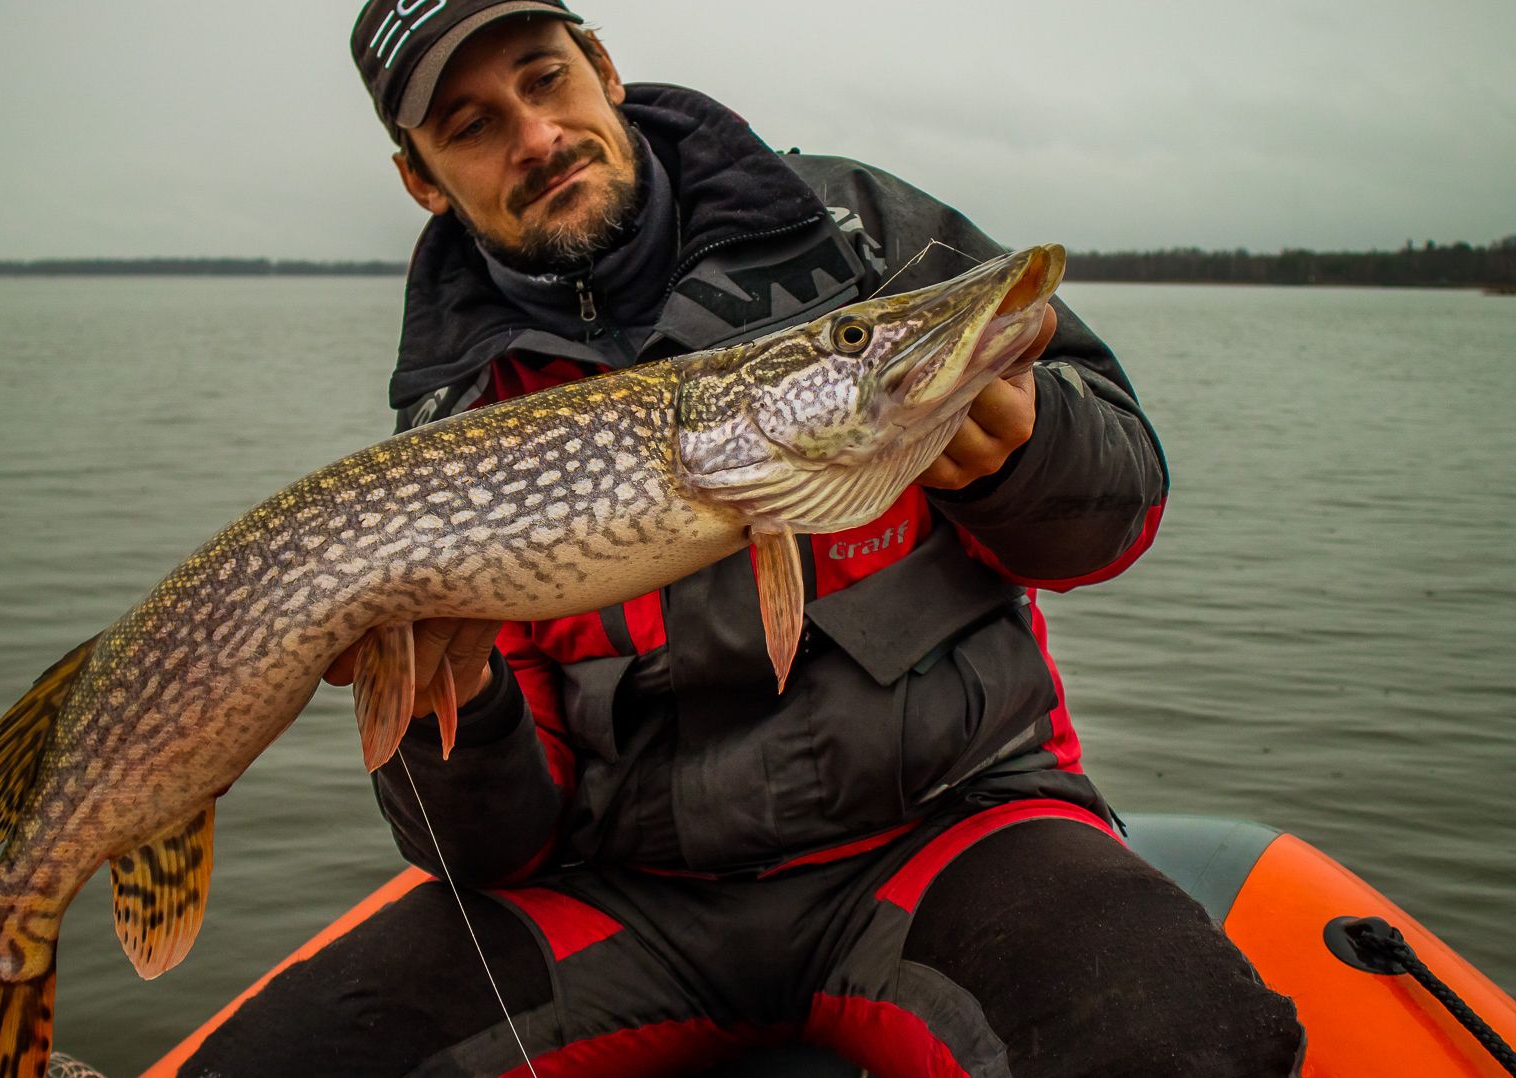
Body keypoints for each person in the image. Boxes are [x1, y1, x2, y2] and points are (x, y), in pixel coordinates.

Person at [182, 3, 1305, 1074]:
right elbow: (488, 851)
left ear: (604, 68)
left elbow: (1120, 511)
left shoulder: (859, 236)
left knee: (1181, 1042)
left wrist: (1025, 451)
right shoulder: (451, 417)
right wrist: (457, 705)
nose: (536, 135)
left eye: (545, 78)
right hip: (619, 902)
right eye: (472, 126)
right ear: (420, 177)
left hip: (946, 840)